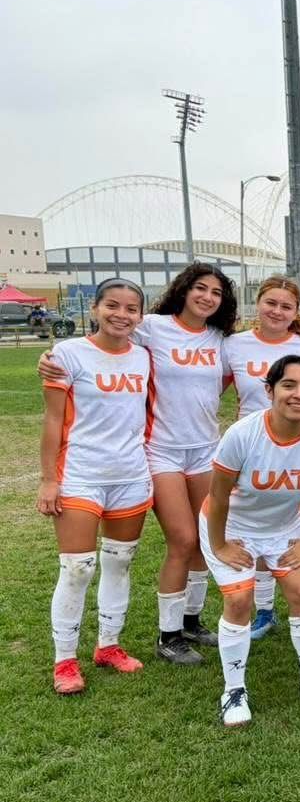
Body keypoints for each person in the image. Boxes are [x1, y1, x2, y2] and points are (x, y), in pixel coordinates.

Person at [38, 263, 240, 665]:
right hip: (160, 450)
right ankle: (168, 635)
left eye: (216, 292)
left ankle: (191, 620)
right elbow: (109, 333)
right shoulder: (153, 327)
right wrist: (52, 358)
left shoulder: (221, 339)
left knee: (204, 538)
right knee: (182, 539)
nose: (206, 297)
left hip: (205, 450)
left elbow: (254, 359)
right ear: (183, 290)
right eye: (200, 288)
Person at [200, 355, 300, 726]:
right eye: (288, 385)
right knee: (238, 601)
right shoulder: (242, 434)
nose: (299, 394)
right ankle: (234, 689)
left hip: (285, 526)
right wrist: (220, 546)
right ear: (269, 390)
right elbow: (217, 496)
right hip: (233, 526)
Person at [38, 278, 152, 693]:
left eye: (131, 308)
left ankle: (108, 645)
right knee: (77, 568)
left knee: (120, 562)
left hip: (131, 475)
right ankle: (65, 660)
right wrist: (49, 479)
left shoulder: (144, 356)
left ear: (141, 316)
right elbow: (53, 419)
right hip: (81, 475)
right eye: (112, 305)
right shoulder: (68, 354)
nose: (121, 314)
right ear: (94, 309)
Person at [222, 275, 300, 638]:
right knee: (255, 528)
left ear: (296, 311)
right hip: (251, 451)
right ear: (258, 303)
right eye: (270, 303)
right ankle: (265, 611)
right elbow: (210, 388)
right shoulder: (234, 345)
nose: (277, 311)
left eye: (286, 306)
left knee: (299, 525)